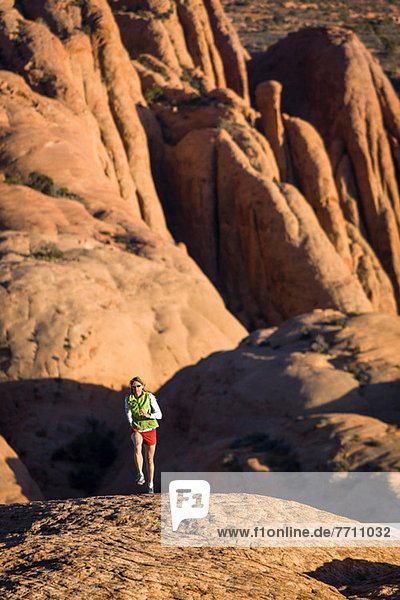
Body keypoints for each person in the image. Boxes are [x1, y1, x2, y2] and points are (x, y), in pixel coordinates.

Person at [124, 376, 162, 494]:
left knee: (150, 459)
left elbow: (159, 414)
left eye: (138, 386)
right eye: (134, 387)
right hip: (137, 428)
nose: (136, 389)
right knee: (137, 446)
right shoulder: (128, 399)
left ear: (143, 386)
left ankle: (150, 484)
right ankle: (140, 473)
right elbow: (127, 411)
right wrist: (130, 422)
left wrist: (148, 415)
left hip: (150, 428)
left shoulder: (149, 397)